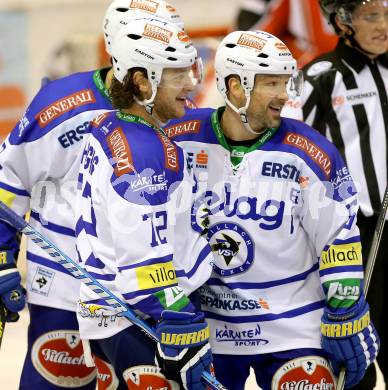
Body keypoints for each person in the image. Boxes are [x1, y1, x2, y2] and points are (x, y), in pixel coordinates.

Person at [163, 29, 380, 389]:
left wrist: (345, 310)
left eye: (285, 82)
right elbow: (150, 232)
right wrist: (168, 306)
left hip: (294, 326)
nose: (284, 95)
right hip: (209, 328)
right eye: (271, 84)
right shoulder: (178, 139)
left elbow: (337, 237)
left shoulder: (309, 151)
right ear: (235, 87)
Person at [0, 0, 185, 388]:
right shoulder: (61, 104)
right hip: (65, 283)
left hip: (143, 289)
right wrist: (1, 254)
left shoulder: (171, 106)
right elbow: (10, 177)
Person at [75, 17, 213, 390]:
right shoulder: (143, 152)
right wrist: (183, 321)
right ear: (141, 81)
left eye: (190, 69)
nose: (191, 85)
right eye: (177, 75)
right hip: (141, 322)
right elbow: (144, 269)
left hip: (107, 315)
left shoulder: (109, 124)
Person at [292, 1, 387, 388]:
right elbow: (288, 147)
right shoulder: (319, 77)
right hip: (356, 234)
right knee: (354, 344)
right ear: (342, 21)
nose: (384, 26)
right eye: (372, 16)